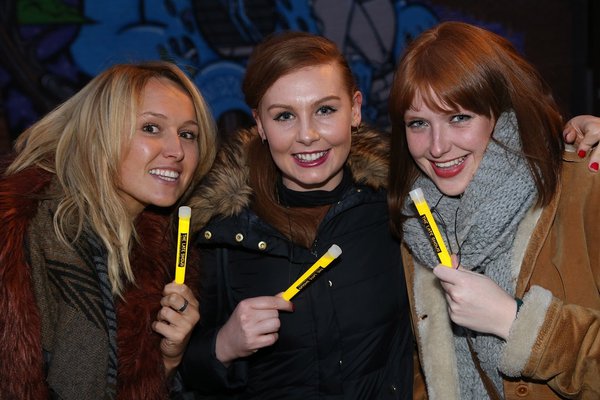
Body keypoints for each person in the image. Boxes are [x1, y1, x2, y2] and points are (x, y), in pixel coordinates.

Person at [179, 31, 413, 399]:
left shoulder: (401, 207)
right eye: (284, 115)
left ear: (355, 109)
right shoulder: (218, 233)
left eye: (325, 110)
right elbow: (172, 374)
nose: (307, 135)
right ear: (259, 124)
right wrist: (222, 348)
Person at [387, 21, 600, 399]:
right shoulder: (417, 222)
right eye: (418, 123)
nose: (437, 147)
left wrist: (515, 322)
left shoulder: (584, 187)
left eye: (459, 118)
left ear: (502, 113)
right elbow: (426, 368)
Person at [0, 61, 217, 399]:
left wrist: (168, 358)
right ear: (99, 132)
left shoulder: (160, 256)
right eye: (151, 128)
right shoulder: (22, 236)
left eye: (188, 134)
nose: (177, 151)